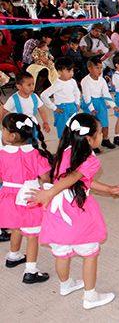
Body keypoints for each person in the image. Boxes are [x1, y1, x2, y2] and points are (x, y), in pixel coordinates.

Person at [34, 113, 119, 309]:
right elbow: (75, 176)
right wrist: (50, 191)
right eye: (100, 133)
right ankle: (90, 297)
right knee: (90, 253)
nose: (102, 135)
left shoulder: (66, 151)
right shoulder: (89, 159)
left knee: (61, 252)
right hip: (77, 210)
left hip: (58, 213)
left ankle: (65, 285)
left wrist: (109, 189)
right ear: (88, 139)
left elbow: (82, 179)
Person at [0, 113, 53, 283]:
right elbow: (45, 178)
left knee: (16, 227)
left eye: (3, 130)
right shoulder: (36, 154)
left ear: (12, 135)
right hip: (30, 198)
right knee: (32, 235)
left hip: (9, 198)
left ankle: (13, 255)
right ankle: (30, 271)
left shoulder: (2, 154)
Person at [81, 57, 119, 152]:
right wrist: (91, 108)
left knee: (104, 123)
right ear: (90, 68)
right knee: (91, 126)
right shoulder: (85, 81)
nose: (99, 70)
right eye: (97, 68)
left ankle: (105, 140)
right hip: (89, 104)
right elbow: (86, 97)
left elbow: (106, 94)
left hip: (101, 103)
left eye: (101, 68)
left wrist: (113, 105)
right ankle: (91, 145)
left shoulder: (102, 80)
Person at [40, 57, 81, 139]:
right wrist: (54, 108)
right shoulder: (57, 84)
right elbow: (43, 95)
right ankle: (62, 149)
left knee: (74, 129)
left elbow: (77, 92)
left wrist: (77, 103)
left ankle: (73, 148)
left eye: (72, 71)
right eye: (69, 71)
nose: (71, 73)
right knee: (63, 132)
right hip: (62, 109)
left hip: (72, 107)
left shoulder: (72, 81)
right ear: (59, 72)